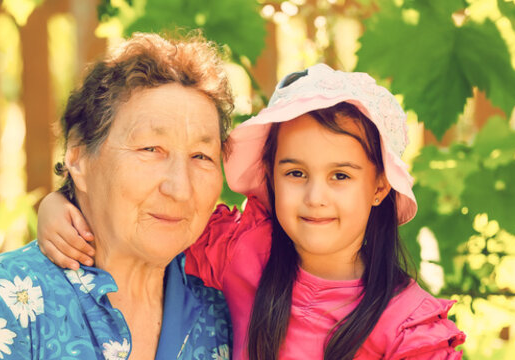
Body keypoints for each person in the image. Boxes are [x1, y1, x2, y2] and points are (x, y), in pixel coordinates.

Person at [38, 64, 465, 359]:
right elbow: (151, 224)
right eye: (296, 173)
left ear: (378, 187)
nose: (315, 196)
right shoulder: (243, 251)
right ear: (271, 178)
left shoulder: (409, 326)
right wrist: (60, 203)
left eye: (340, 176)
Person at [0, 32, 234, 360]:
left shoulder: (224, 306)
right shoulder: (5, 304)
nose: (180, 188)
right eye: (151, 149)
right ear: (78, 159)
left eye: (202, 156)